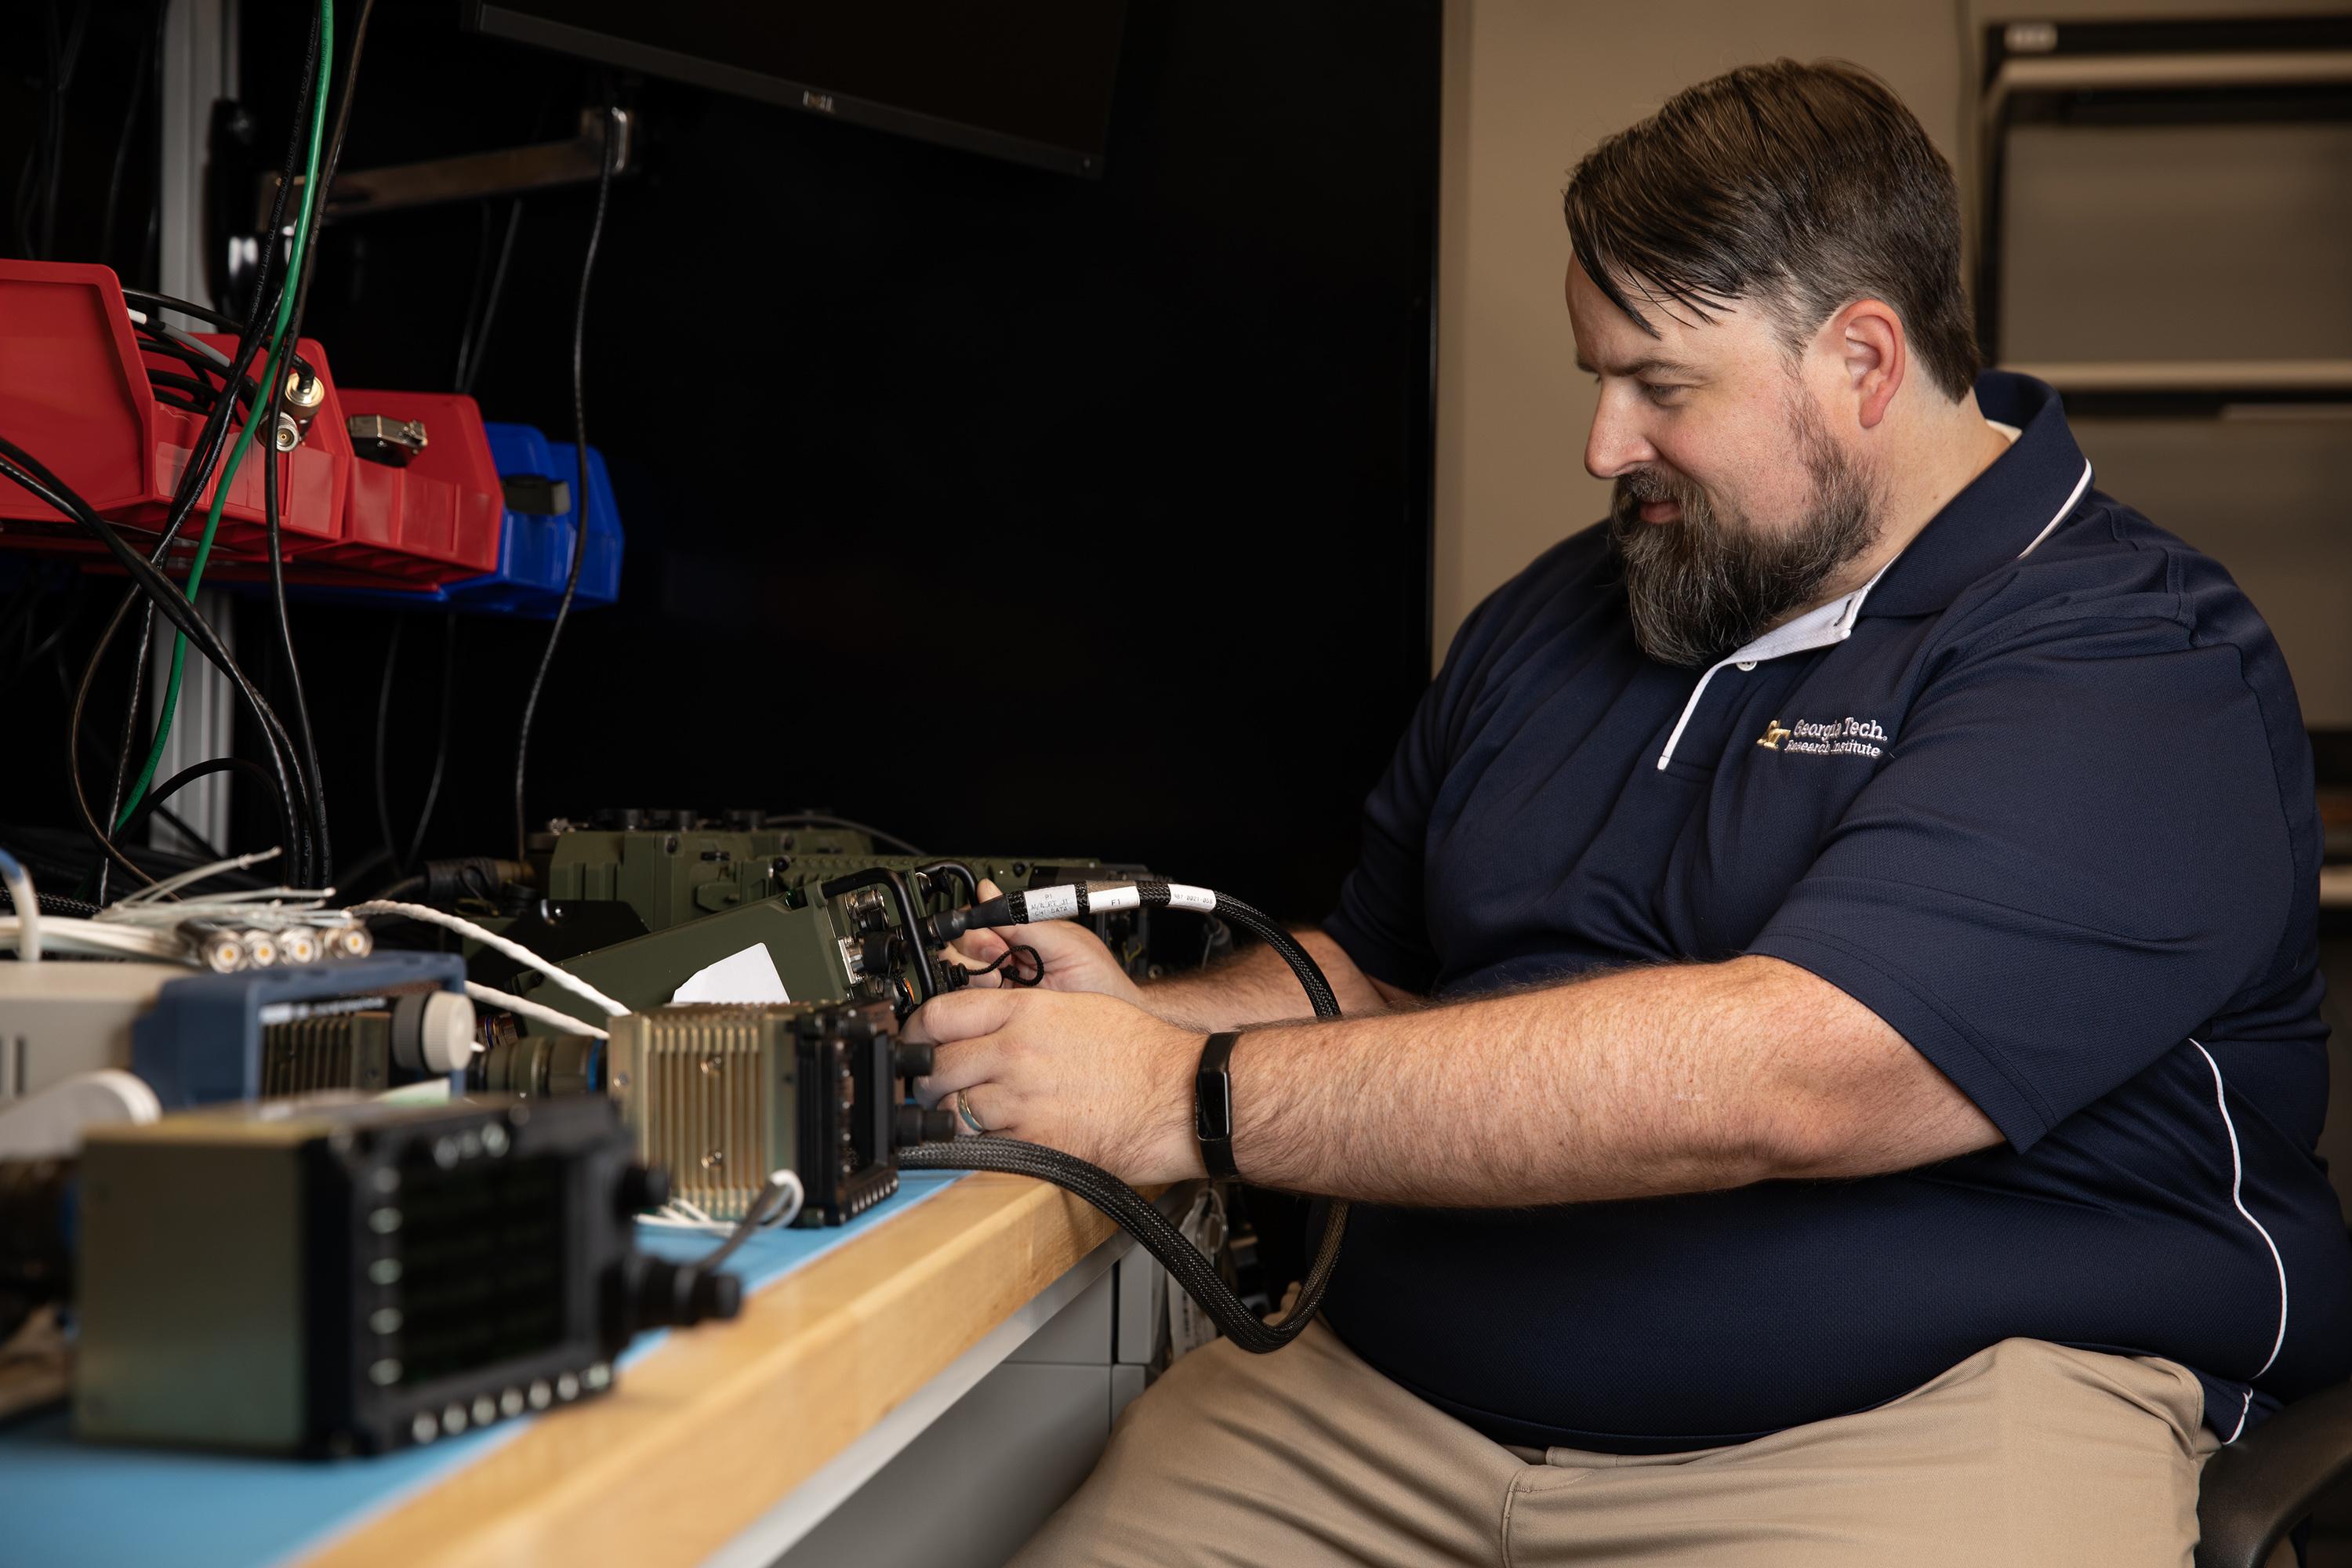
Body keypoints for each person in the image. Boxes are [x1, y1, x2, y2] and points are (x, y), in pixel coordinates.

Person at [909, 58, 2350, 1566]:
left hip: (1921, 1418)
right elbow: (1382, 969)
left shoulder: (2130, 661)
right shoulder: (1571, 608)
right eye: (1600, 376)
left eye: (1660, 386)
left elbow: (1798, 1078)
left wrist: (1186, 1099)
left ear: (1864, 361)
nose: (1604, 446)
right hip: (1395, 1406)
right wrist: (1151, 1023)